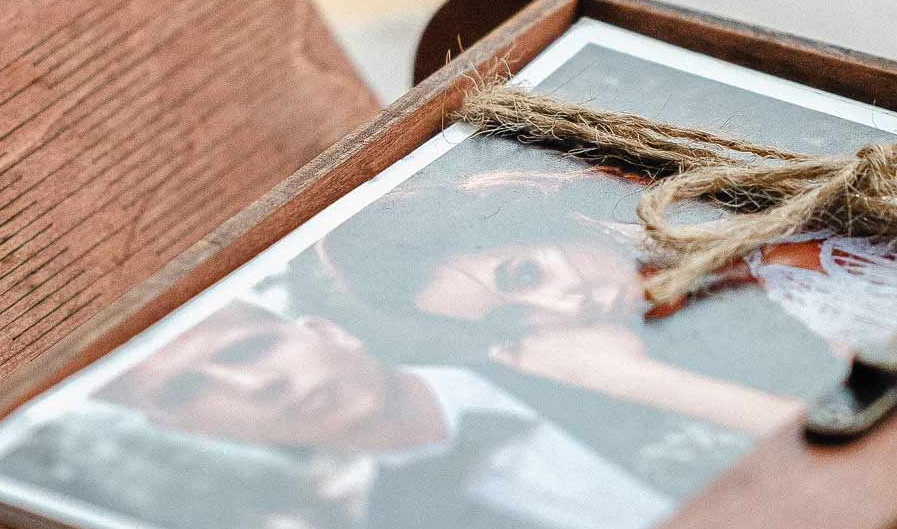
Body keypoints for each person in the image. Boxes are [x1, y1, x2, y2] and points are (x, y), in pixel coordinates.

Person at [94, 299, 676, 529]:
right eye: (188, 392)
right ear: (195, 430)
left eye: (248, 349)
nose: (257, 386)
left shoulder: (567, 357)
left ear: (326, 332)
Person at [294, 164, 852, 438]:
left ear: (536, 221)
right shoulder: (683, 322)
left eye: (524, 273)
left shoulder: (738, 223)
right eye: (514, 317)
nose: (561, 311)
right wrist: (630, 377)